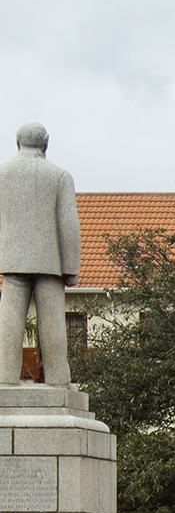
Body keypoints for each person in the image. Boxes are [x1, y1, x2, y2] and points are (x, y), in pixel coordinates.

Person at [0, 123, 81, 388]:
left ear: (17, 142)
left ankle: (4, 376)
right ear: (45, 145)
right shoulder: (59, 176)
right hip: (50, 262)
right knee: (54, 321)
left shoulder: (2, 173)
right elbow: (68, 225)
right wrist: (71, 267)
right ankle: (58, 378)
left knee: (9, 320)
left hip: (12, 260)